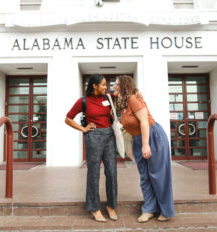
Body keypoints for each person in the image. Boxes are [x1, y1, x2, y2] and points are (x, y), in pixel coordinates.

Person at [113, 75, 175, 222]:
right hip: (138, 140)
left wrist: (146, 144)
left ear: (124, 86)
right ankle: (149, 209)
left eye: (116, 84)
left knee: (158, 174)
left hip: (153, 137)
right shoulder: (123, 102)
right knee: (145, 176)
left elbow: (145, 122)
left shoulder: (134, 99)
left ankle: (166, 211)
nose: (113, 87)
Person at [65, 74, 118, 222]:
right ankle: (94, 208)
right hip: (93, 137)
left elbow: (123, 96)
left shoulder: (108, 98)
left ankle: (111, 206)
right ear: (94, 86)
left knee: (112, 172)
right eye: (103, 85)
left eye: (106, 84)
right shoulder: (83, 101)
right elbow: (68, 118)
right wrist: (83, 129)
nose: (106, 87)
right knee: (94, 173)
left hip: (109, 136)